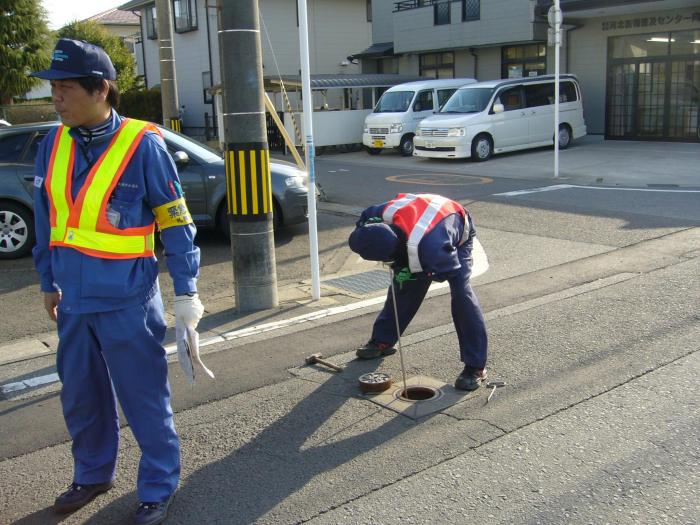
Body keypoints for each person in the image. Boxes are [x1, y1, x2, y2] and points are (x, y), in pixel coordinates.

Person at [30, 38, 202, 525]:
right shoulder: (52, 143)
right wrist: (48, 282)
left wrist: (187, 292)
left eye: (64, 88)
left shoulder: (143, 145)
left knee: (143, 397)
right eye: (54, 89)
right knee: (81, 395)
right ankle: (92, 473)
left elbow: (175, 221)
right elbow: (47, 222)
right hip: (73, 299)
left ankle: (157, 485)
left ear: (101, 90)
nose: (56, 98)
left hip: (128, 298)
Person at [348, 193, 488, 391]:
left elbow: (442, 272)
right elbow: (363, 227)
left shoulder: (433, 249)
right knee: (403, 287)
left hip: (453, 227)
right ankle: (382, 341)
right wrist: (403, 269)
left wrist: (411, 270)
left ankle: (476, 367)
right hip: (422, 217)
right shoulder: (373, 216)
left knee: (461, 294)